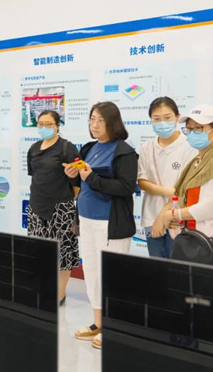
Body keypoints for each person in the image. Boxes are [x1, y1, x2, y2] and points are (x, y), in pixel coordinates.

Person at [63, 101, 138, 350]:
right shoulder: (89, 147)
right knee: (93, 274)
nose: (94, 125)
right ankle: (98, 323)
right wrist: (75, 175)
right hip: (87, 220)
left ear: (113, 123)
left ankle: (113, 328)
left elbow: (126, 187)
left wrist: (92, 178)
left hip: (111, 224)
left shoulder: (124, 152)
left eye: (100, 120)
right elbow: (83, 181)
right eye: (92, 119)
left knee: (111, 276)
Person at [152, 105, 213, 268]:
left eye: (198, 128)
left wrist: (172, 214)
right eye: (189, 129)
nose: (192, 133)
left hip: (211, 245)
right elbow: (184, 199)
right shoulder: (197, 161)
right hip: (190, 242)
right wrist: (176, 220)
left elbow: (208, 208)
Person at [27, 110, 80, 306]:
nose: (44, 128)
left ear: (58, 126)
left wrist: (67, 200)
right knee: (40, 251)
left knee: (63, 251)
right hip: (36, 207)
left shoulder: (67, 148)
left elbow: (77, 182)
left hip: (61, 209)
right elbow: (35, 176)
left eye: (49, 124)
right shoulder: (33, 148)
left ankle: (60, 292)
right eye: (41, 124)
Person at [138, 97, 197, 258]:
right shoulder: (147, 147)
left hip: (178, 218)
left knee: (177, 267)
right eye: (156, 119)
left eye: (167, 117)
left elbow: (187, 186)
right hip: (151, 217)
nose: (162, 123)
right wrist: (170, 192)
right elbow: (142, 181)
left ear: (177, 117)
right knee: (157, 267)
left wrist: (164, 214)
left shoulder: (190, 146)